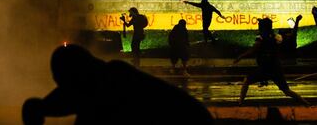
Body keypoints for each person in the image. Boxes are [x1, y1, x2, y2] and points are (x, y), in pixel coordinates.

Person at [22, 44, 213, 125]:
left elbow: (74, 100)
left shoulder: (107, 87)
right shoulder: (105, 76)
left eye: (60, 79)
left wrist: (39, 108)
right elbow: (69, 98)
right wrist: (41, 107)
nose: (58, 84)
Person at [233, 17, 310, 106]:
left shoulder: (260, 37)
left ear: (262, 27)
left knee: (246, 81)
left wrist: (240, 57)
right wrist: (296, 22)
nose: (258, 26)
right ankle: (306, 103)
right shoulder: (277, 37)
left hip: (265, 69)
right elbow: (293, 35)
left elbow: (253, 50)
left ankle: (240, 103)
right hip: (275, 68)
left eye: (259, 25)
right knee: (287, 91)